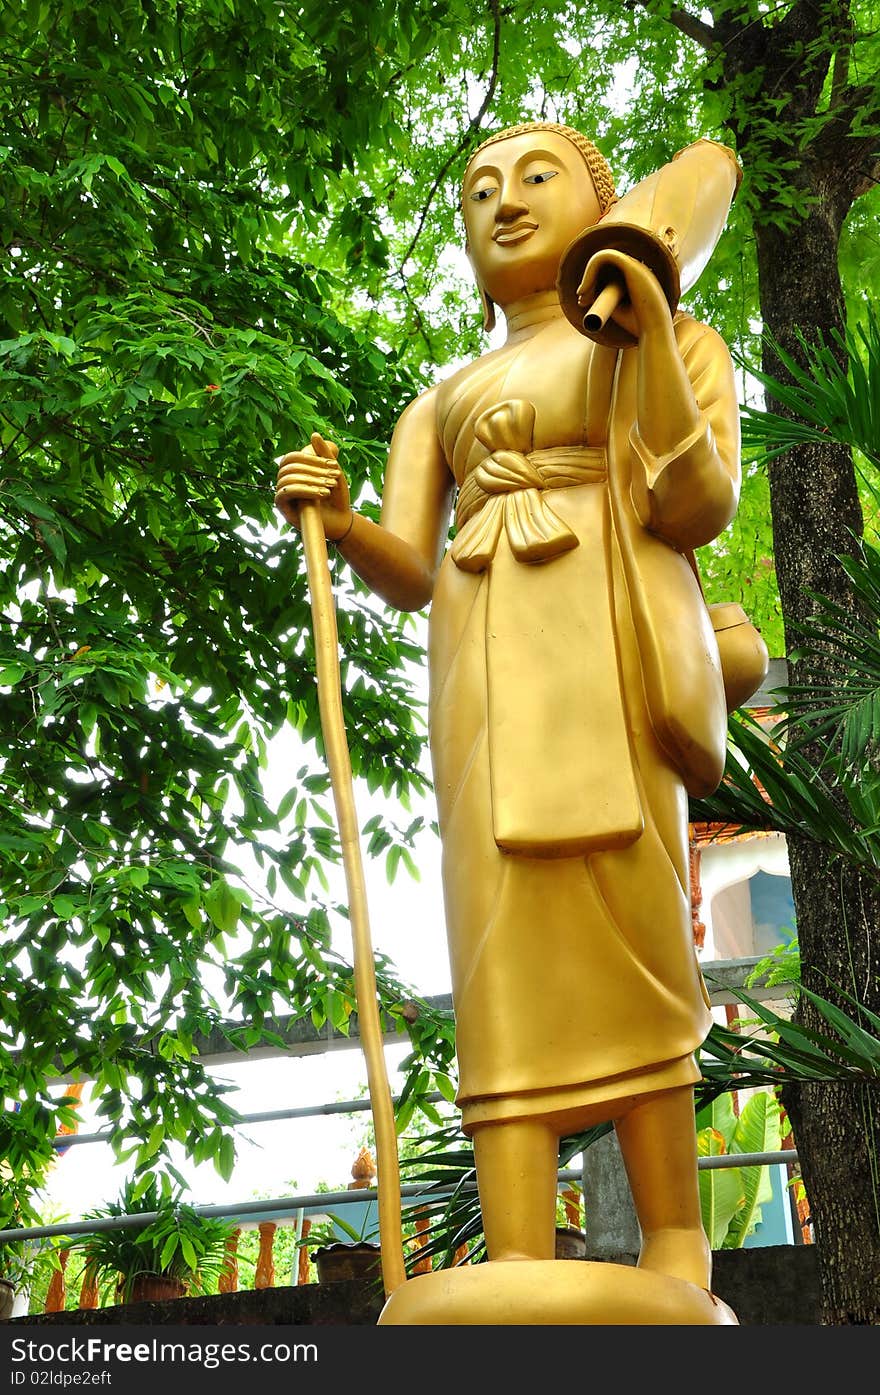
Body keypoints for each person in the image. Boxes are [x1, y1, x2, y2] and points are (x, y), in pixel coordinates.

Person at [275, 122, 747, 1294]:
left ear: (600, 206)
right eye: (479, 190)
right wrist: (339, 522)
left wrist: (639, 331)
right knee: (498, 939)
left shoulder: (669, 338)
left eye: (537, 179)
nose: (504, 203)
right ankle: (516, 1247)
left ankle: (675, 1241)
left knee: (630, 912)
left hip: (608, 645)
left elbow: (696, 503)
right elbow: (414, 568)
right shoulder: (442, 401)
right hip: (481, 664)